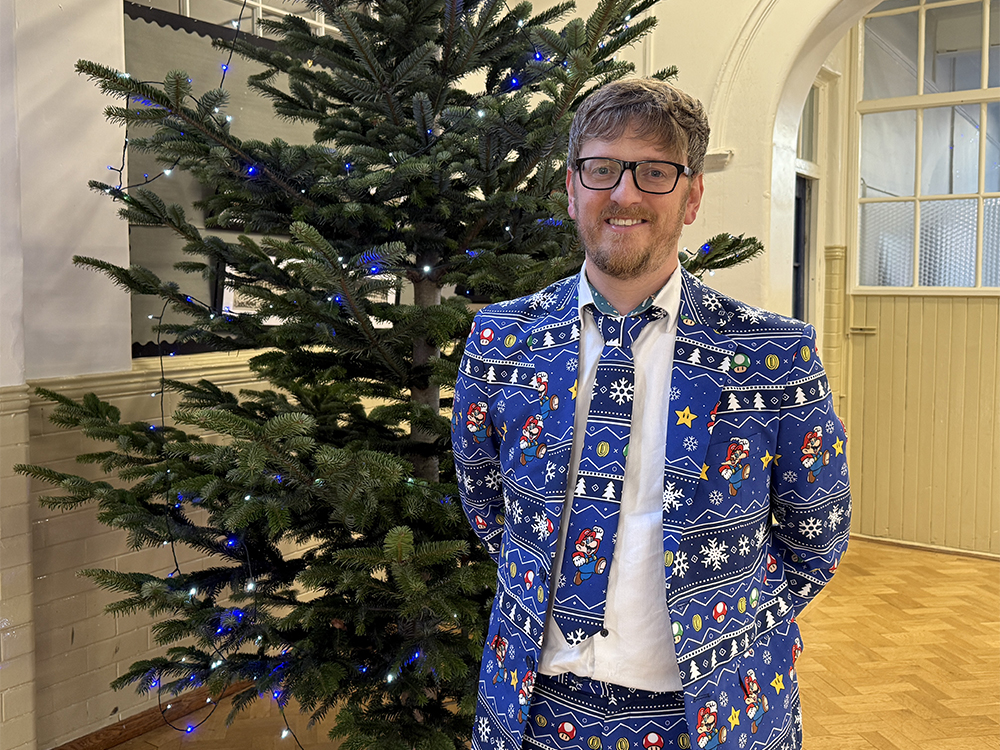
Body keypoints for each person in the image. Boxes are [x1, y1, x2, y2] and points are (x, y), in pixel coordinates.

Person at [452, 78, 850, 750]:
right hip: (532, 709)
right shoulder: (501, 339)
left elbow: (818, 533)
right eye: (602, 169)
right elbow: (487, 505)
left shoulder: (773, 354)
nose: (625, 194)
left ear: (692, 196)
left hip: (717, 713)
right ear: (572, 188)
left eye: (655, 172)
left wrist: (737, 628)